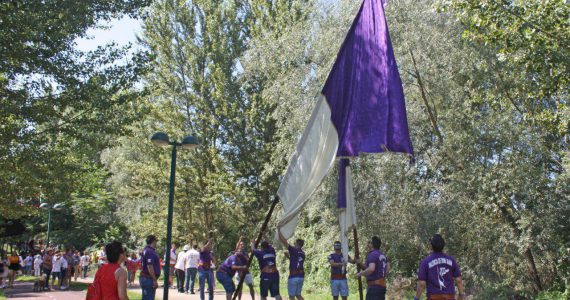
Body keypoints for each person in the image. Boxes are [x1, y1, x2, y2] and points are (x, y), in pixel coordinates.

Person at [414, 234, 465, 300]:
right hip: (449, 297)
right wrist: (461, 295)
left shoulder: (425, 262)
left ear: (431, 246)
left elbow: (422, 284)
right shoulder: (451, 260)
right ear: (443, 245)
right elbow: (458, 280)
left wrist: (416, 298)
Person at [278, 231, 305, 300]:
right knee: (298, 295)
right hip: (301, 276)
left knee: (292, 296)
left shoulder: (293, 250)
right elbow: (297, 261)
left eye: (295, 242)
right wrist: (289, 257)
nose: (294, 243)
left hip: (293, 276)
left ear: (297, 244)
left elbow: (284, 241)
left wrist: (279, 231)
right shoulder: (303, 253)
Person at [140, 235, 161, 300]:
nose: (156, 243)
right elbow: (149, 266)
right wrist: (154, 280)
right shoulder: (150, 251)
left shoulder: (147, 250)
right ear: (153, 241)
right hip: (148, 279)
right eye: (156, 241)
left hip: (146, 278)